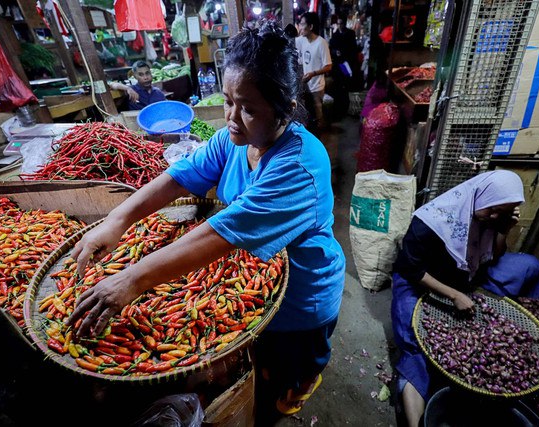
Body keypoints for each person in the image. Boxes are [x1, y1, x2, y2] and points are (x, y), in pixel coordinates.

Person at [66, 20, 345, 418]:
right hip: (264, 283)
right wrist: (118, 219)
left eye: (248, 108)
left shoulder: (298, 165)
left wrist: (134, 278)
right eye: (228, 100)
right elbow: (179, 176)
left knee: (293, 371)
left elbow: (224, 232)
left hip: (304, 295)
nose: (232, 116)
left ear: (285, 107)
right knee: (261, 357)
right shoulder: (233, 140)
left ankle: (300, 385)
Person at [391, 170, 539, 427]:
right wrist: (454, 295)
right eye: (494, 210)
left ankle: (526, 309)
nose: (496, 216)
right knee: (415, 343)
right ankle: (416, 418)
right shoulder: (432, 221)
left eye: (505, 212)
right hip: (421, 282)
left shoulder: (493, 219)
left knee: (530, 265)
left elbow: (494, 257)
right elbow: (411, 269)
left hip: (467, 276)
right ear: (480, 197)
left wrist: (503, 229)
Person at [295, 12, 332, 131]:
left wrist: (313, 74)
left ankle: (320, 138)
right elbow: (290, 42)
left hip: (317, 86)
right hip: (306, 84)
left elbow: (328, 66)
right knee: (309, 114)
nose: (300, 27)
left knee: (318, 114)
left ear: (310, 27)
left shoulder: (321, 43)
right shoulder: (302, 40)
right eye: (299, 24)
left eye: (302, 24)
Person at [328, 13, 360, 120]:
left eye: (341, 23)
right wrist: (335, 52)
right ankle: (339, 109)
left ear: (345, 24)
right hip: (338, 65)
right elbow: (331, 48)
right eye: (338, 23)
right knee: (338, 87)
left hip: (347, 64)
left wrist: (344, 53)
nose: (340, 25)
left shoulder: (350, 34)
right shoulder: (335, 34)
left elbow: (354, 49)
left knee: (346, 87)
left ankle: (346, 108)